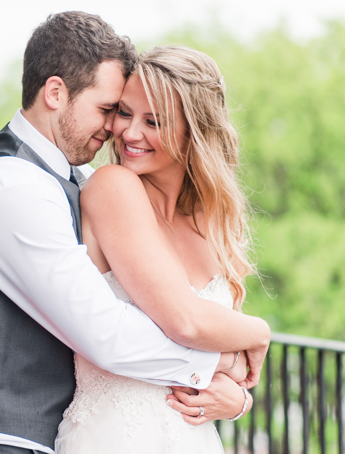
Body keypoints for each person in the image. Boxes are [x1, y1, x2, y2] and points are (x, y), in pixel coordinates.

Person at [0, 12, 270, 454]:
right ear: (56, 92)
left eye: (152, 120)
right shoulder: (16, 184)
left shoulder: (75, 177)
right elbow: (106, 335)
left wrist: (236, 397)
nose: (119, 130)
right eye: (112, 110)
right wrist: (234, 350)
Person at [54, 45, 256, 453]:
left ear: (194, 130)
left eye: (154, 121)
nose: (129, 133)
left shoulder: (209, 222)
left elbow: (227, 368)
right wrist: (261, 334)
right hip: (114, 437)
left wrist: (239, 401)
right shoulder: (113, 186)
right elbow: (185, 322)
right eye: (124, 113)